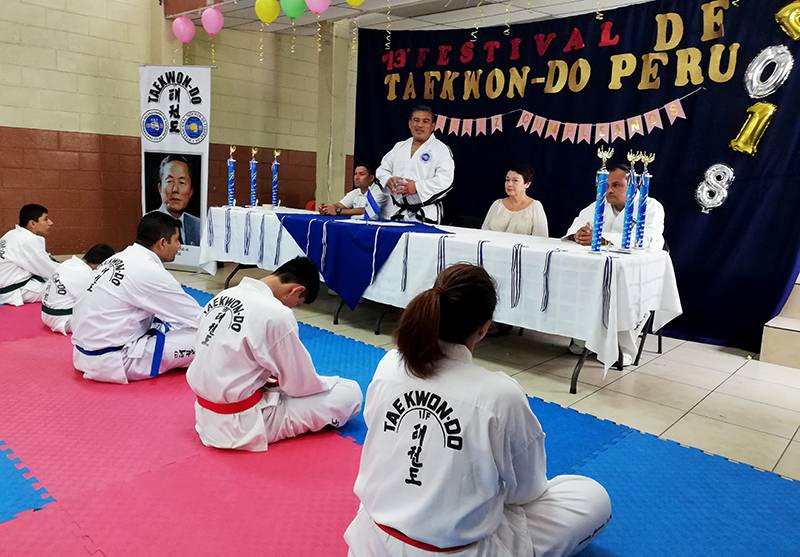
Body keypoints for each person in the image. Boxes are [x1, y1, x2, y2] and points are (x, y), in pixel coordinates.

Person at [345, 264, 611, 557]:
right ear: (484, 328)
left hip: (371, 542)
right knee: (590, 496)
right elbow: (528, 490)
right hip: (457, 551)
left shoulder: (390, 364)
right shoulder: (499, 394)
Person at [186, 256, 363, 452]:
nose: (292, 308)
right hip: (244, 425)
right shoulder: (277, 314)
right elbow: (299, 385)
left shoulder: (223, 296)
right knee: (349, 392)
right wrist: (325, 382)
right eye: (297, 303)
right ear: (297, 290)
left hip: (205, 416)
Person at [71, 212, 201, 384]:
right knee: (209, 338)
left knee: (173, 320)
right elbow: (199, 317)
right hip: (116, 359)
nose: (179, 246)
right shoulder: (149, 271)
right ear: (162, 243)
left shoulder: (118, 257)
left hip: (84, 353)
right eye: (177, 240)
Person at [376, 105, 455, 224]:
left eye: (425, 121)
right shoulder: (399, 147)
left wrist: (417, 187)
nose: (419, 125)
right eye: (416, 120)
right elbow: (382, 169)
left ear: (433, 126)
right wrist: (388, 179)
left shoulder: (441, 149)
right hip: (397, 213)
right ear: (410, 124)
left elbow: (445, 180)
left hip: (425, 215)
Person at [564, 162, 665, 251]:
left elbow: (645, 239)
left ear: (634, 186)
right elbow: (575, 228)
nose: (609, 191)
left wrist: (602, 239)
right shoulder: (599, 204)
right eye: (606, 186)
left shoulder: (650, 206)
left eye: (616, 185)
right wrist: (579, 235)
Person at [41, 243, 115, 335]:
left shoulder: (68, 263)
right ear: (99, 266)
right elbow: (98, 303)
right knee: (113, 318)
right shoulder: (86, 275)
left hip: (46, 315)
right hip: (63, 319)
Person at [0, 204, 59, 306]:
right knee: (65, 291)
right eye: (45, 219)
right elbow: (48, 269)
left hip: (9, 284)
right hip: (14, 291)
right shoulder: (26, 240)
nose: (50, 222)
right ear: (32, 223)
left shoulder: (13, 234)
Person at [482, 163, 549, 237]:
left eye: (515, 180)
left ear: (527, 184)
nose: (509, 184)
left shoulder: (535, 206)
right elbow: (483, 232)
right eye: (507, 180)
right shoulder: (497, 204)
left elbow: (541, 239)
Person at [153, 154, 201, 246]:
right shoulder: (148, 224)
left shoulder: (199, 226)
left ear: (191, 192)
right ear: (160, 188)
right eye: (169, 181)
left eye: (182, 182)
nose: (175, 189)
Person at [318, 163, 388, 220]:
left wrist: (338, 211)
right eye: (355, 174)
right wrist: (327, 208)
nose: (356, 177)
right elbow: (339, 205)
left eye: (361, 174)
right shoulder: (355, 192)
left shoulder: (381, 192)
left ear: (371, 178)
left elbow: (369, 210)